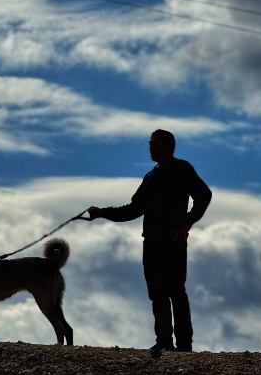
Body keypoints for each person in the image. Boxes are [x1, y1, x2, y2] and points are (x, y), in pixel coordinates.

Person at [87, 130, 212, 355]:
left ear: (168, 147)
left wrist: (187, 224)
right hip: (151, 243)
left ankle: (184, 347)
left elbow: (204, 195)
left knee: (176, 291)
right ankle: (164, 342)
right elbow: (134, 209)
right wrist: (102, 213)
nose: (150, 149)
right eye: (149, 144)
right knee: (157, 293)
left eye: (154, 145)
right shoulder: (150, 177)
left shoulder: (182, 169)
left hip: (173, 242)